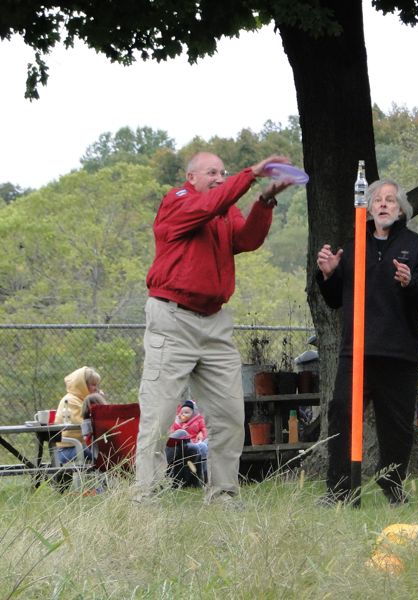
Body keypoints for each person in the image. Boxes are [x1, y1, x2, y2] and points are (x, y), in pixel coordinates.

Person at [134, 151, 295, 506]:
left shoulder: (224, 209)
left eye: (223, 173)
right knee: (158, 416)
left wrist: (265, 200)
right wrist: (251, 173)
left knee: (230, 416)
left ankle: (223, 494)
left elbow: (246, 240)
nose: (220, 178)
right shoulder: (178, 201)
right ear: (191, 177)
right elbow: (208, 206)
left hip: (215, 324)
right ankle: (147, 495)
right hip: (172, 320)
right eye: (211, 172)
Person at [316, 178, 418, 505]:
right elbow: (334, 299)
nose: (383, 204)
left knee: (397, 426)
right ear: (368, 208)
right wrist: (328, 275)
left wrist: (410, 282)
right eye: (377, 200)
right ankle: (339, 490)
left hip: (400, 353)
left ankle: (392, 484)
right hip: (356, 352)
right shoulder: (353, 247)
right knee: (342, 413)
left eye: (390, 200)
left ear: (401, 209)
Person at [54, 366, 103, 466]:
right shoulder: (71, 401)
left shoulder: (82, 399)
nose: (96, 388)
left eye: (97, 385)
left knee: (107, 450)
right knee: (103, 454)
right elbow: (86, 425)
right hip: (67, 449)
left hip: (81, 446)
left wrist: (98, 402)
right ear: (83, 385)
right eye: (93, 385)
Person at [166, 399, 208, 486]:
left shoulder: (198, 420)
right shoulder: (178, 423)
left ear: (193, 413)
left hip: (195, 441)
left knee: (202, 447)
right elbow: (174, 433)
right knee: (183, 434)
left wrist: (202, 434)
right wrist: (179, 424)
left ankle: (202, 478)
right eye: (182, 413)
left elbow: (204, 428)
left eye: (186, 412)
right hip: (182, 444)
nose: (183, 415)